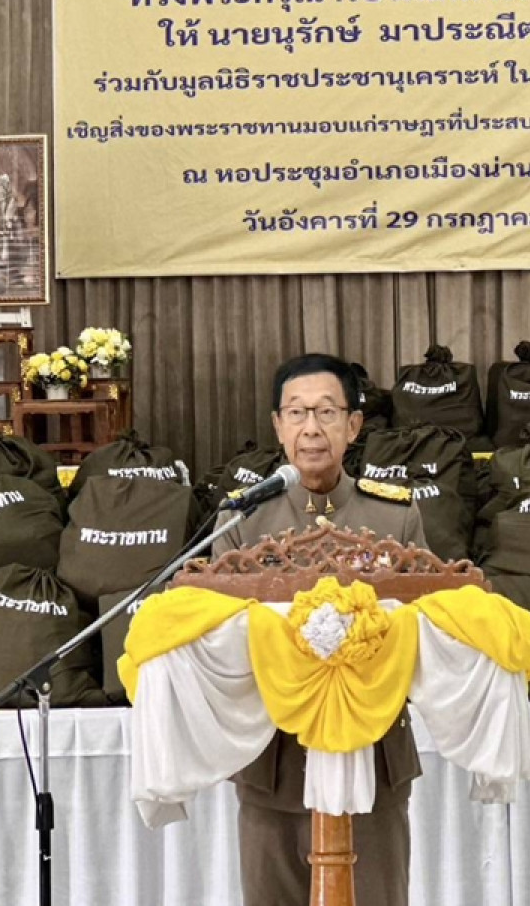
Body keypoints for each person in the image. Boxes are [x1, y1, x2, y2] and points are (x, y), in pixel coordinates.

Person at [213, 353, 428, 906]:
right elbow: (218, 632)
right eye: (297, 412)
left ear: (353, 425)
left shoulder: (395, 518)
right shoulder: (242, 520)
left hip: (372, 758)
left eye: (327, 412)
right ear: (278, 426)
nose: (311, 428)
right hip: (274, 760)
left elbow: (423, 628)